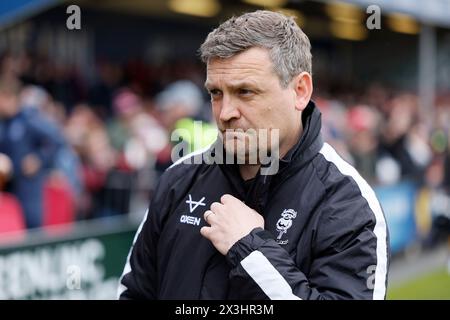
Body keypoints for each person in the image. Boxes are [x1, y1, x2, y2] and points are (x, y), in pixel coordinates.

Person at [118, 10, 389, 300]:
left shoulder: (346, 201)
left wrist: (251, 248)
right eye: (216, 93)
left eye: (245, 92)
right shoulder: (178, 179)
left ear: (300, 91)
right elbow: (133, 293)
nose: (225, 113)